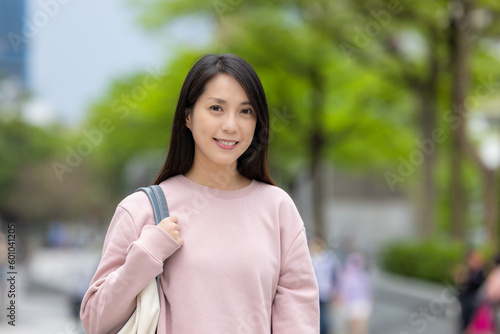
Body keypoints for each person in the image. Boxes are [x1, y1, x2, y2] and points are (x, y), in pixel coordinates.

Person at [80, 53, 320, 334]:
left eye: (246, 111)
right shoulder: (141, 209)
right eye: (217, 108)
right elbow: (95, 322)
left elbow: (298, 317)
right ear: (188, 116)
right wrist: (146, 254)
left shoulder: (278, 208)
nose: (231, 125)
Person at [310, 237, 341, 334]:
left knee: (323, 314)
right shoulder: (311, 257)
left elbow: (336, 274)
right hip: (314, 291)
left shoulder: (328, 258)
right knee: (319, 314)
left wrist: (336, 290)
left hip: (325, 290)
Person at [337, 252, 373, 334]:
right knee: (353, 329)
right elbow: (342, 290)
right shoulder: (345, 275)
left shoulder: (363, 275)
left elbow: (368, 291)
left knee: (363, 328)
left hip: (363, 304)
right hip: (350, 305)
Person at [456, 250, 486, 333]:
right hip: (465, 298)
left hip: (472, 298)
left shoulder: (480, 271)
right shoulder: (467, 270)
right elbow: (460, 283)